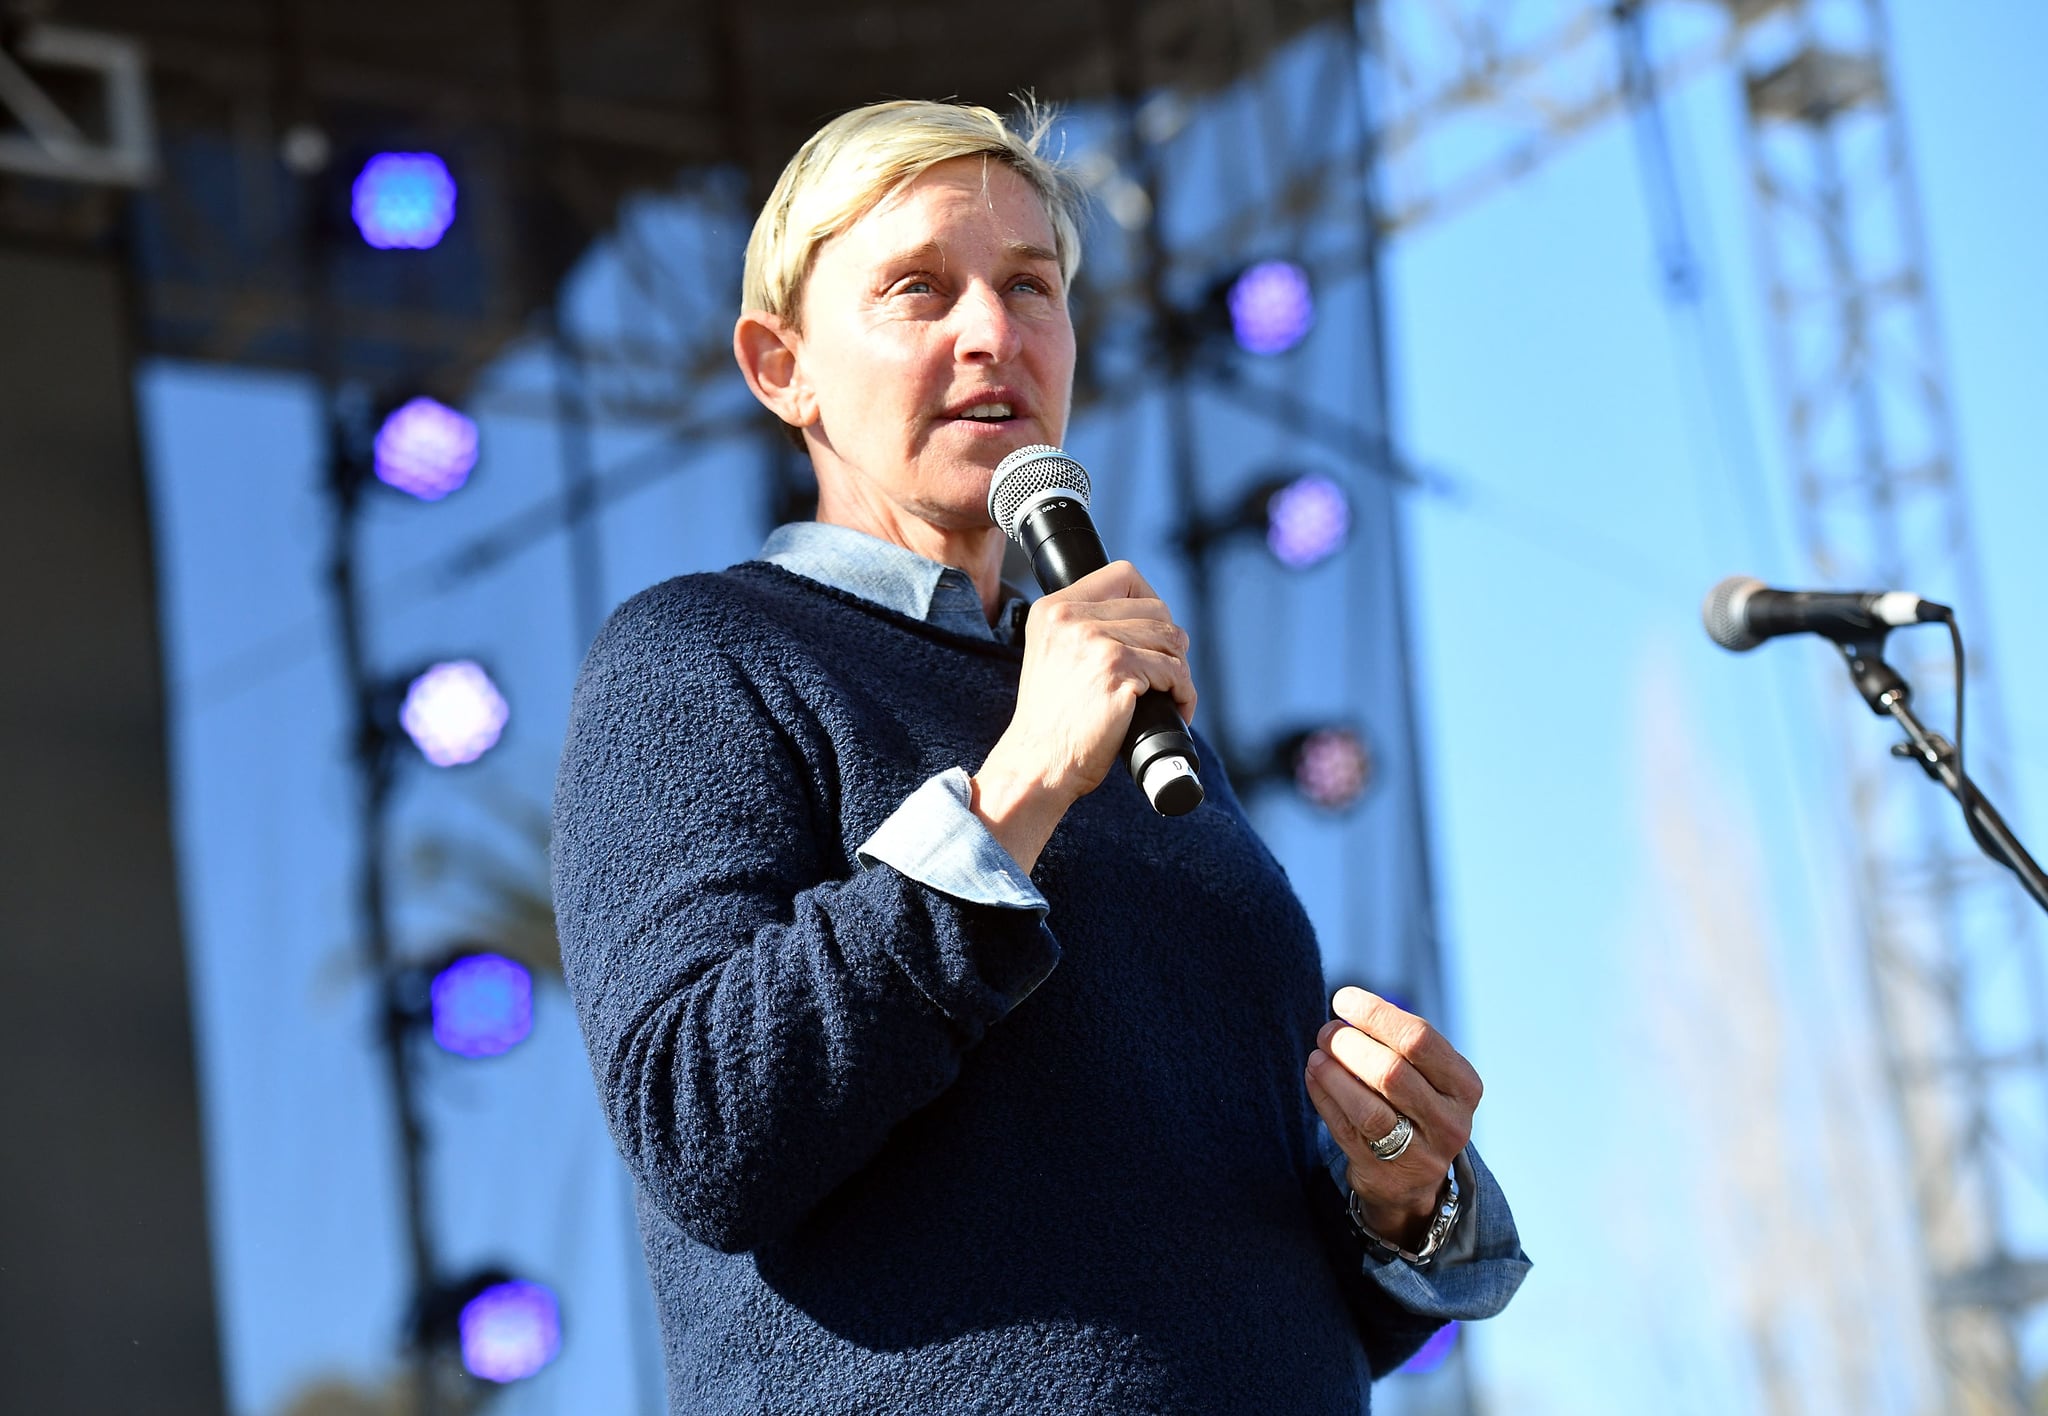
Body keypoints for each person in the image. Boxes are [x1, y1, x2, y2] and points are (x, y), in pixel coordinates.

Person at [551, 98, 1529, 1415]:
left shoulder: (1132, 729)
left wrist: (1401, 1187)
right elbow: (705, 1125)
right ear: (781, 366)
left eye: (1031, 287)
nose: (993, 334)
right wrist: (1016, 790)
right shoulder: (702, 656)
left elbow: (1224, 1267)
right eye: (917, 290)